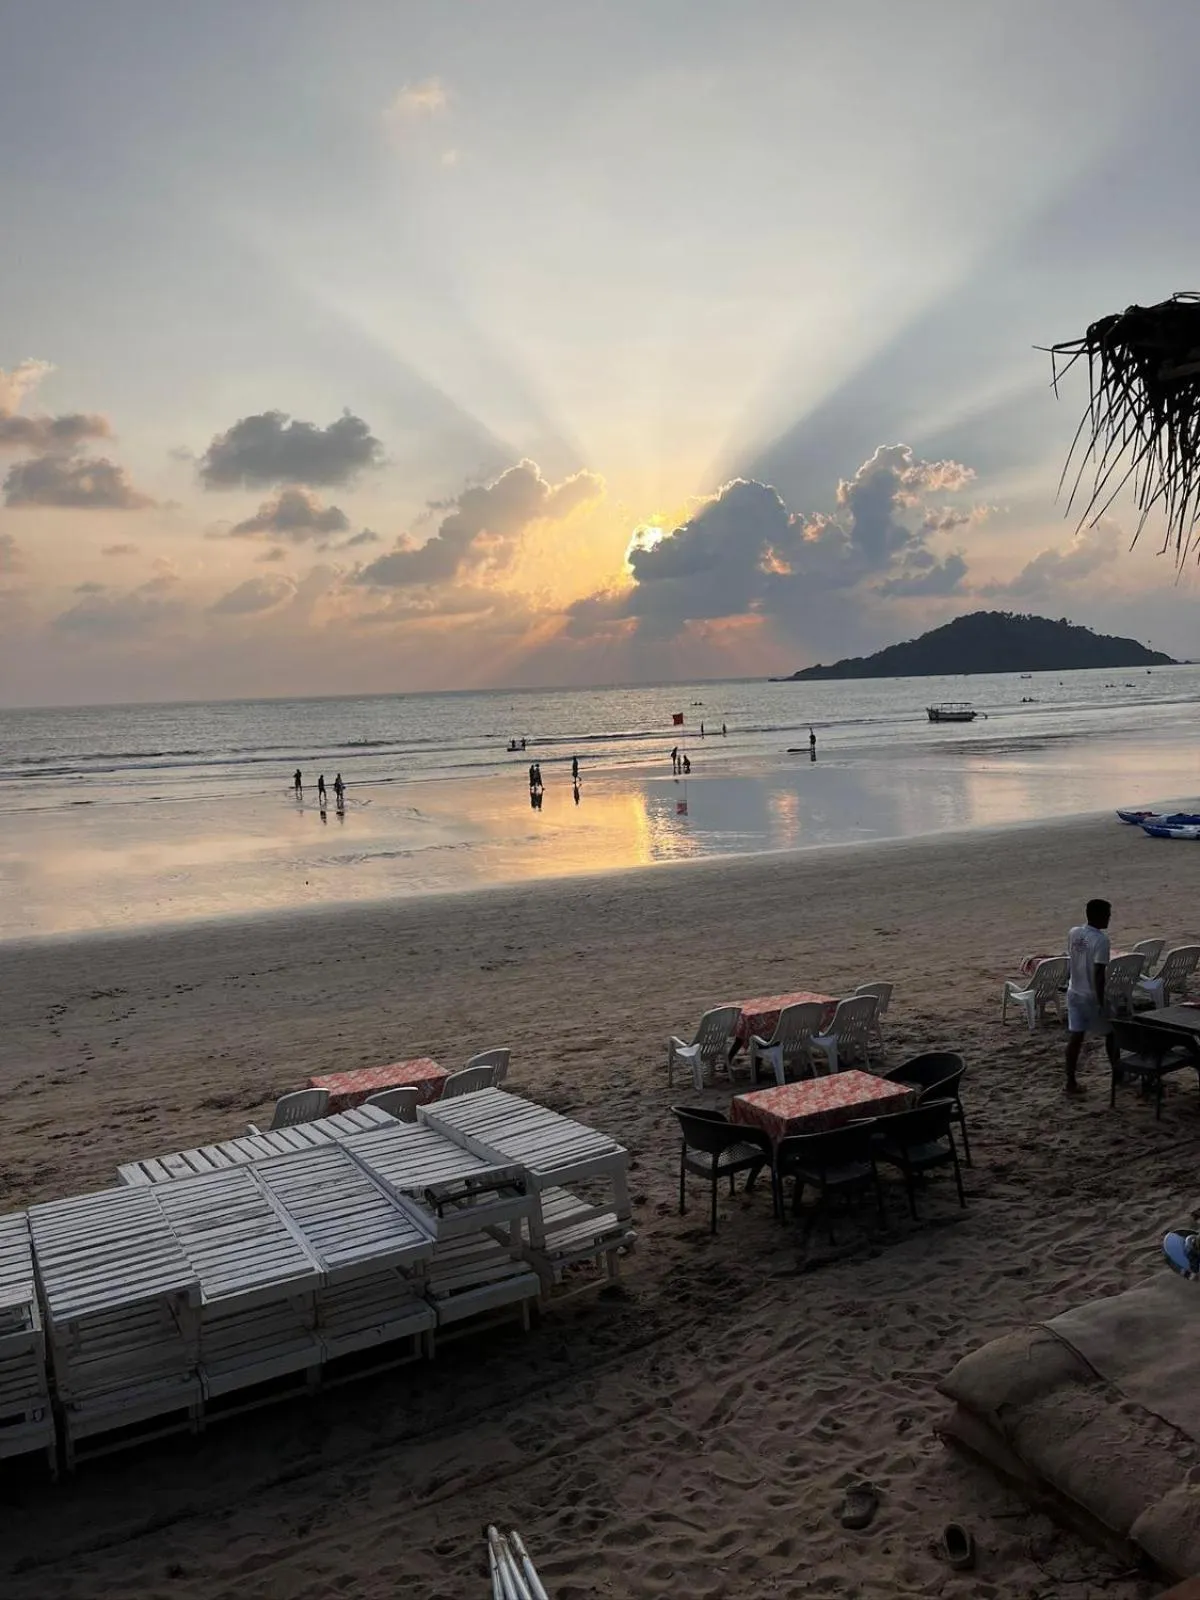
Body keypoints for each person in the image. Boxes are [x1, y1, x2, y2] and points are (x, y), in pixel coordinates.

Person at [1065, 898, 1120, 1094]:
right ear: (1098, 916)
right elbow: (1098, 974)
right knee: (1112, 1033)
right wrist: (1101, 1001)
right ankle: (1118, 1073)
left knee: (1076, 1037)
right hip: (1090, 995)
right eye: (1107, 915)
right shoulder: (1101, 940)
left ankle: (1070, 1081)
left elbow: (1072, 960)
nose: (1109, 918)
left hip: (1074, 992)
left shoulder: (1074, 933)